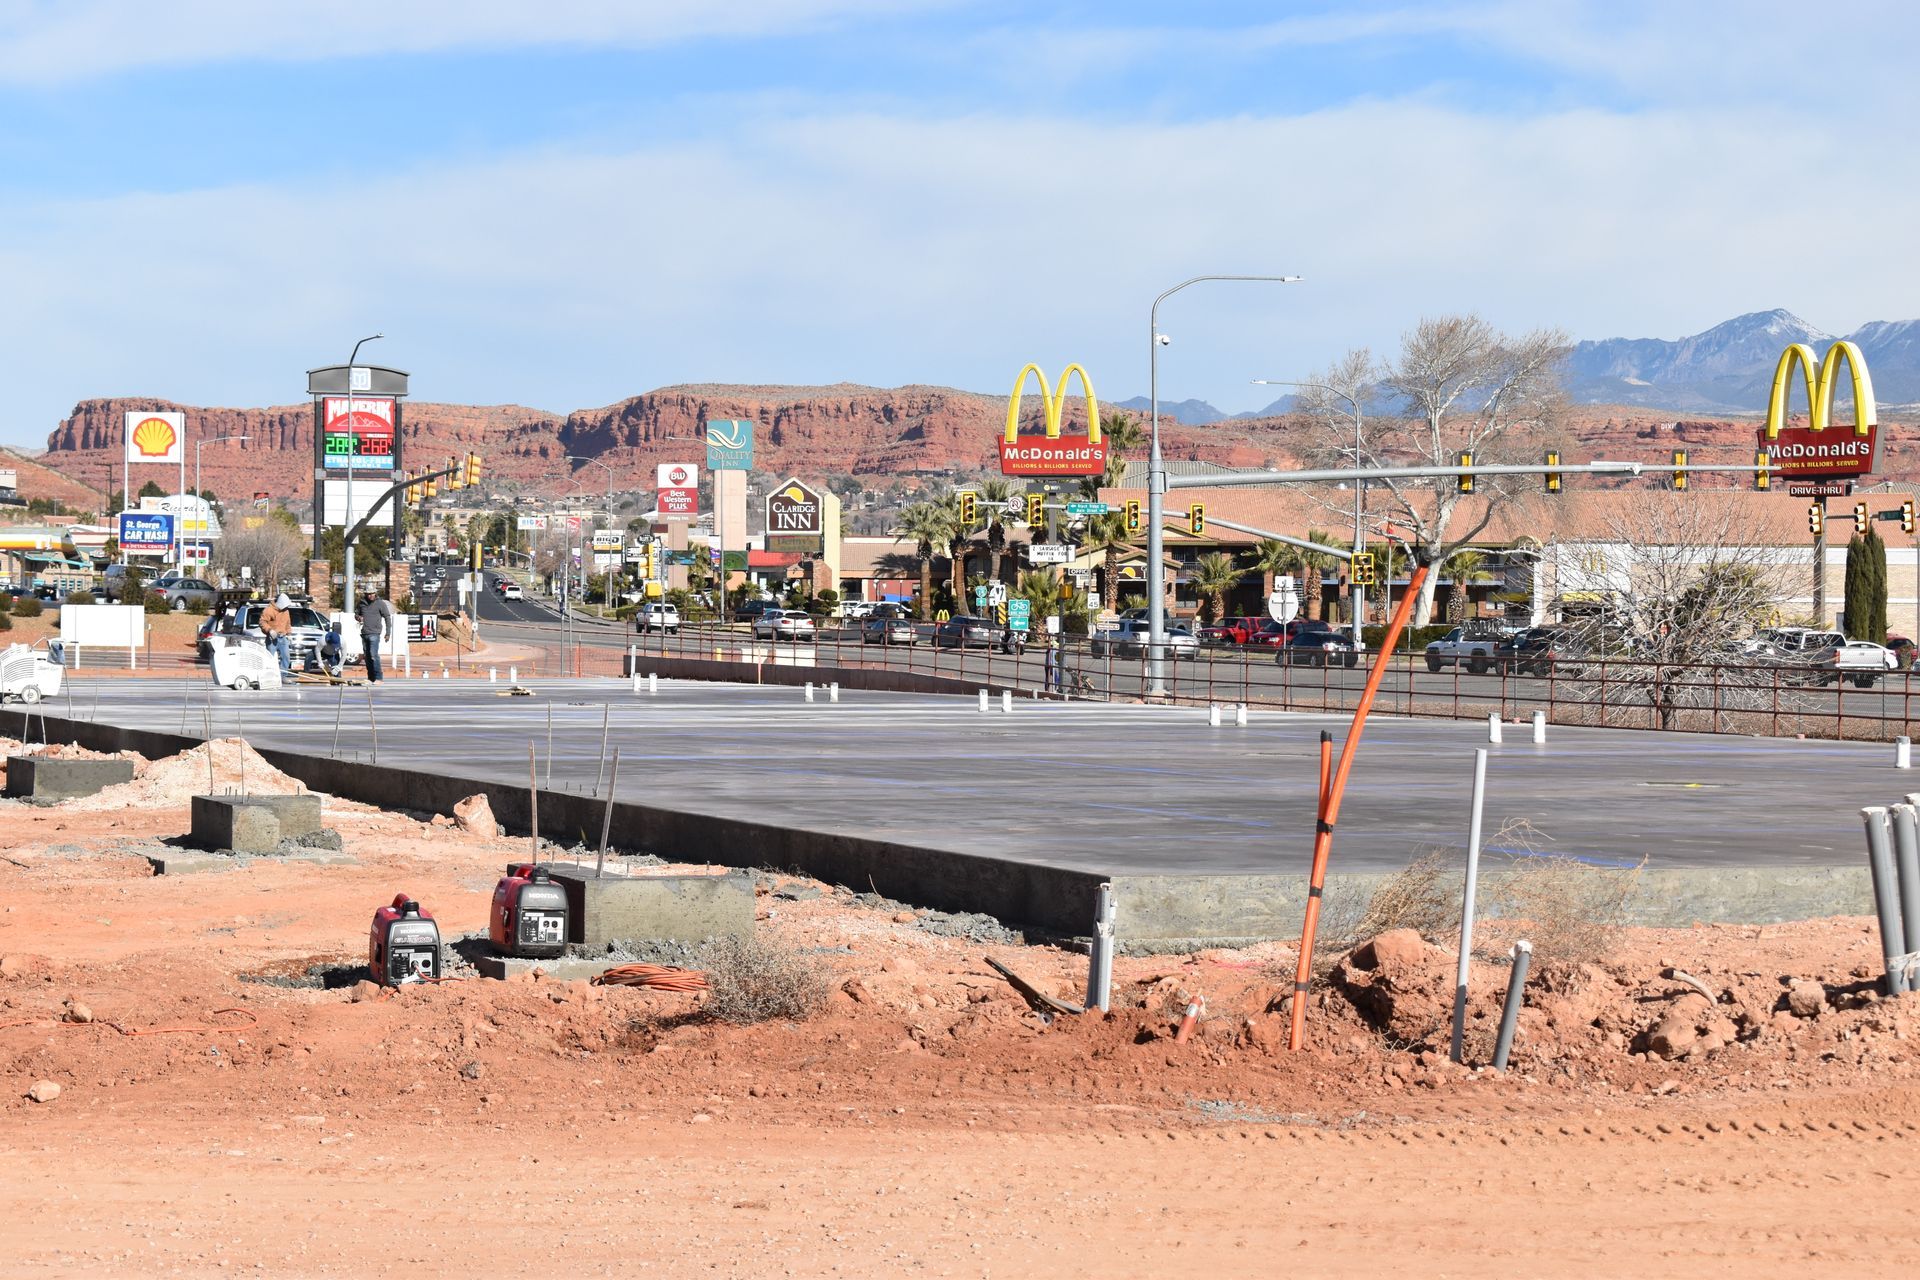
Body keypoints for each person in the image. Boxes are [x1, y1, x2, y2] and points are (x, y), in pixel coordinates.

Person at [357, 587, 395, 683]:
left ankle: (379, 677)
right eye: (369, 594)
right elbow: (356, 614)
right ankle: (371, 677)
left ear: (375, 593)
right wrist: (358, 618)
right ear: (365, 594)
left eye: (372, 593)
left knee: (374, 655)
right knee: (367, 657)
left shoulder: (380, 603)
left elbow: (387, 617)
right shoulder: (361, 603)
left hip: (375, 633)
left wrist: (388, 633)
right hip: (364, 633)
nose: (371, 595)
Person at [260, 592, 294, 673]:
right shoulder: (268, 610)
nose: (286, 607)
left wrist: (289, 634)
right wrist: (269, 630)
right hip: (272, 639)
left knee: (286, 657)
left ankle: (282, 676)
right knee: (270, 658)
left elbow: (288, 623)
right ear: (281, 603)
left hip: (283, 637)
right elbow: (262, 622)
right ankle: (269, 675)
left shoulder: (286, 611)